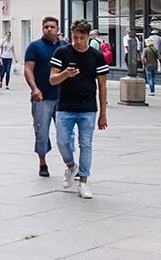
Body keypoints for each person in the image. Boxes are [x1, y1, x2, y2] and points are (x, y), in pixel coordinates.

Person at [49, 19, 109, 199]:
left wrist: (103, 114)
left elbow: (102, 85)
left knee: (86, 144)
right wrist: (65, 74)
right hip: (65, 105)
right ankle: (70, 165)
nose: (78, 41)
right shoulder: (62, 52)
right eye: (75, 37)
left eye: (82, 38)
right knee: (62, 141)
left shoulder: (96, 56)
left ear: (88, 37)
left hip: (88, 107)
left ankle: (83, 181)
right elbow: (52, 80)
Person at [24, 17, 68, 177]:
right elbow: (28, 69)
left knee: (66, 134)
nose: (49, 29)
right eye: (46, 27)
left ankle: (69, 163)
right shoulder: (35, 46)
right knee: (41, 132)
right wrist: (34, 88)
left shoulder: (65, 46)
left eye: (52, 27)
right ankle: (42, 163)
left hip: (63, 96)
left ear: (58, 29)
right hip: (42, 96)